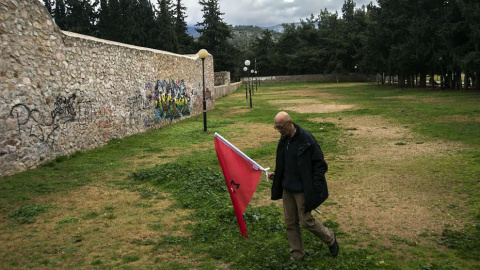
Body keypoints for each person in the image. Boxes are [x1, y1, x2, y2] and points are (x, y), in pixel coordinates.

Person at [268, 111, 339, 260]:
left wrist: (315, 186)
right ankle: (297, 254)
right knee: (290, 222)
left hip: (302, 189)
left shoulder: (306, 139)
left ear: (290, 123)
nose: (279, 131)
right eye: (276, 128)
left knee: (306, 221)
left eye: (280, 127)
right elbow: (285, 163)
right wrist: (277, 174)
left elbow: (320, 165)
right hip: (287, 187)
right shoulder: (283, 140)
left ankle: (330, 239)